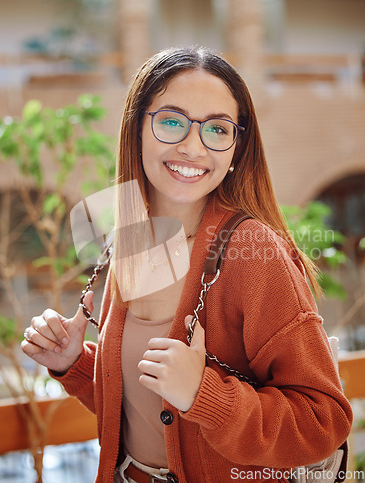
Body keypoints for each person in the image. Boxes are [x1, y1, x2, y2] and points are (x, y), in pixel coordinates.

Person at [22, 46, 352, 483]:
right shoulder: (133, 238)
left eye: (217, 129)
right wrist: (75, 363)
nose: (192, 146)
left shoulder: (252, 250)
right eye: (172, 121)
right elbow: (142, 407)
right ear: (136, 129)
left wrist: (205, 394)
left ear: (236, 148)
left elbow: (322, 421)